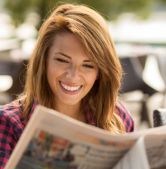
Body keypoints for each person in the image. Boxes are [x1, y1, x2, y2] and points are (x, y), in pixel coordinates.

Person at [0, 3, 134, 168]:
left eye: (88, 65)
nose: (73, 76)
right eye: (62, 60)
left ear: (100, 71)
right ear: (44, 61)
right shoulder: (8, 123)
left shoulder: (117, 117)